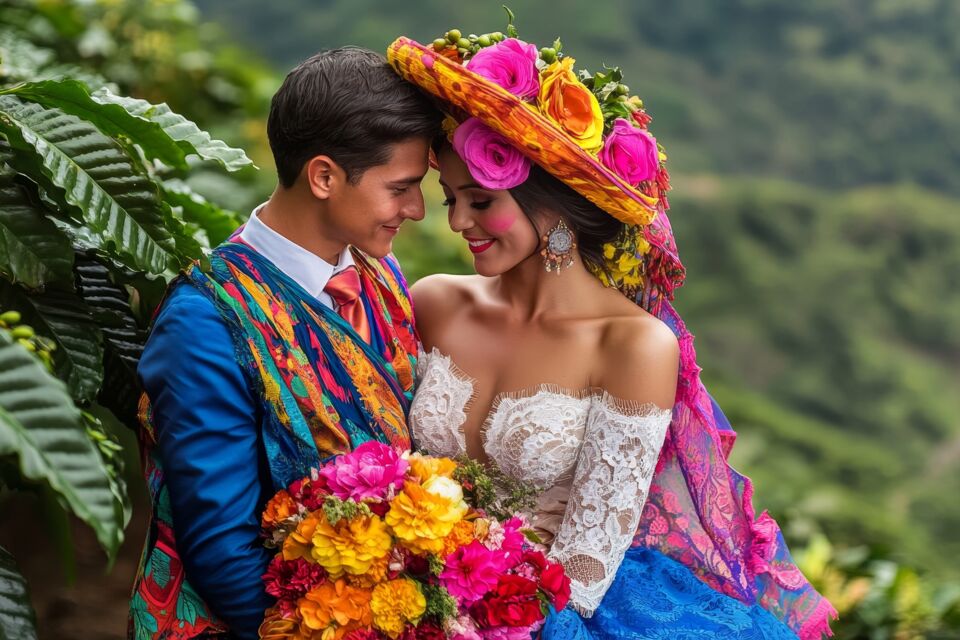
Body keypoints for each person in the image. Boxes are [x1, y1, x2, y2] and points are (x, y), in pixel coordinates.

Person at [388, 27, 836, 640]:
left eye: (481, 201)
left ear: (552, 204)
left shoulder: (634, 346)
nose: (459, 222)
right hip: (398, 590)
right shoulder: (433, 301)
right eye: (450, 200)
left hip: (544, 614)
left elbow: (586, 563)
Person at [128, 47, 441, 639]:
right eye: (400, 187)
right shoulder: (207, 321)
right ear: (323, 176)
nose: (417, 209)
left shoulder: (381, 275)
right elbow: (223, 549)